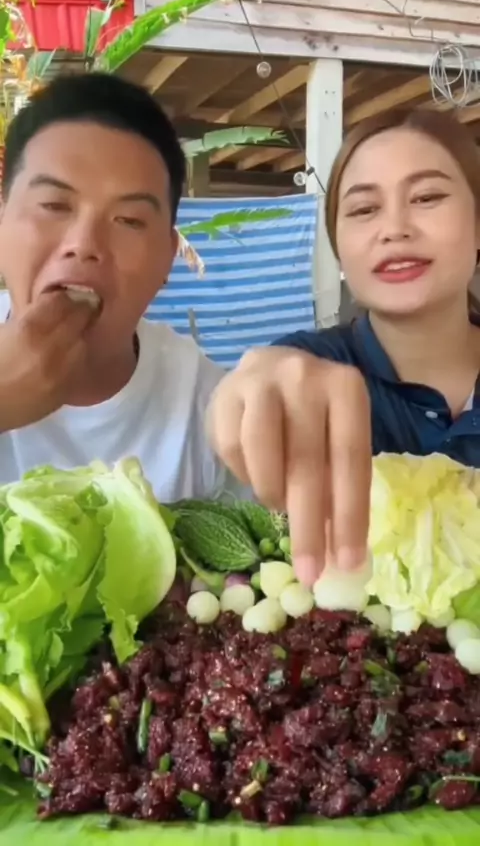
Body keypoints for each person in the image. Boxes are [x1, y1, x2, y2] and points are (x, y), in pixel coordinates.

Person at [208, 108, 480, 586]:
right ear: (338, 246)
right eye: (363, 209)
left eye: (427, 197)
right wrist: (241, 399)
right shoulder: (312, 366)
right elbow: (263, 384)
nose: (394, 228)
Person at [0, 71, 241, 501]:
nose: (83, 244)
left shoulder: (208, 410)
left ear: (168, 257)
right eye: (54, 205)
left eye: (129, 220)